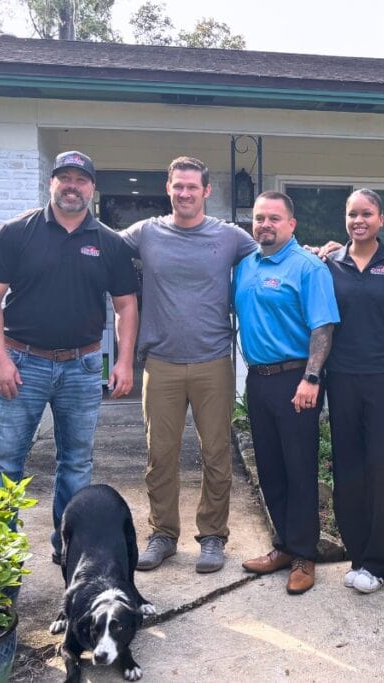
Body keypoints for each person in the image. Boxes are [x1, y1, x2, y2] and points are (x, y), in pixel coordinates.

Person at [0, 150, 139, 565]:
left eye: (81, 180)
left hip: (83, 367)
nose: (72, 186)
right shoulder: (16, 233)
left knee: (76, 464)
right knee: (6, 459)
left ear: (92, 189)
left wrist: (122, 361)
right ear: (51, 183)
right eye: (64, 178)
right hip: (21, 364)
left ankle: (68, 548)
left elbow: (126, 306)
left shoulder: (109, 243)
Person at [122, 157, 256, 574]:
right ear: (168, 189)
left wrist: (323, 250)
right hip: (159, 363)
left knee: (216, 454)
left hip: (212, 362)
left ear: (206, 191)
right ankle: (163, 534)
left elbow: (277, 253)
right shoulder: (145, 233)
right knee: (160, 455)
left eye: (192, 187)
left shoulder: (231, 237)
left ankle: (212, 536)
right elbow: (97, 245)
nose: (184, 193)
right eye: (177, 186)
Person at [234, 191, 339, 595]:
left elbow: (323, 328)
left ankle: (303, 555)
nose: (265, 225)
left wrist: (312, 378)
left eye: (274, 218)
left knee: (299, 469)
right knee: (271, 469)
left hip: (296, 380)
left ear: (291, 224)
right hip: (258, 381)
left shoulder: (308, 267)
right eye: (259, 218)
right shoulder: (244, 267)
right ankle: (282, 545)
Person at [324, 189, 384, 594]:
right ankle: (356, 553)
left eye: (367, 214)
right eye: (352, 214)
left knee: (380, 466)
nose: (359, 220)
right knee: (347, 466)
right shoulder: (329, 263)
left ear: (381, 219)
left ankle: (379, 561)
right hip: (340, 375)